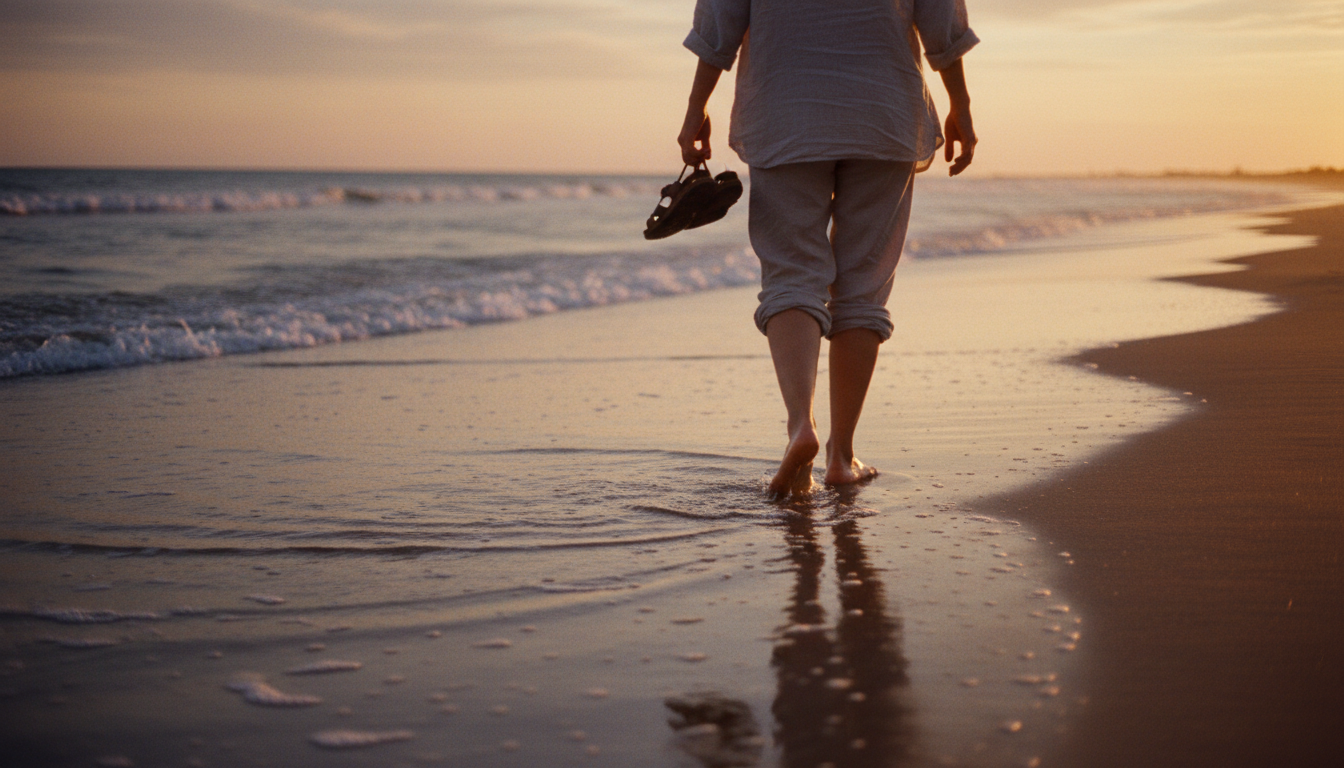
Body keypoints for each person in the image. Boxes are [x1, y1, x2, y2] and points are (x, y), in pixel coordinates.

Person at [675, 0, 979, 497]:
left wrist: (696, 108)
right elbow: (942, 19)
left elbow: (718, 23)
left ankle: (801, 426)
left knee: (791, 274)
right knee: (863, 285)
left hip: (784, 112)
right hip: (884, 113)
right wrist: (960, 103)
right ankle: (841, 457)